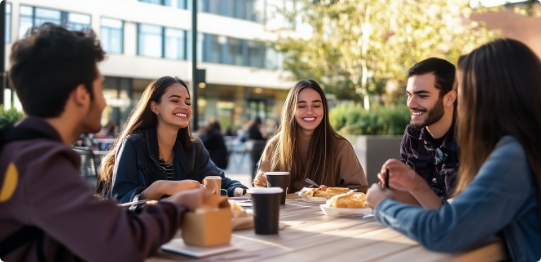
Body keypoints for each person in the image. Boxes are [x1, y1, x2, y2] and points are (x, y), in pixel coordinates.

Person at [0, 23, 221, 261]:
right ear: (82, 95)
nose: (105, 103)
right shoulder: (37, 162)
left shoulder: (20, 149)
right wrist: (181, 204)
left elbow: (91, 231)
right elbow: (118, 244)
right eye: (101, 89)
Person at [366, 38, 541, 262]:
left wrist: (383, 205)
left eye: (467, 91)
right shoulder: (524, 146)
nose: (462, 102)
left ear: (489, 95)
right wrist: (418, 186)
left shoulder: (513, 155)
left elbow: (445, 231)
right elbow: (464, 218)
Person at [98, 76, 248, 203]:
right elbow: (121, 201)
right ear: (155, 107)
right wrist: (161, 187)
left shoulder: (194, 147)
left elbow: (222, 182)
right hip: (147, 232)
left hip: (188, 229)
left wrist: (242, 192)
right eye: (175, 100)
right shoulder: (133, 145)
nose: (184, 106)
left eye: (188, 103)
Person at [253, 80, 368, 193]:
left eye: (316, 105)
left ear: (324, 108)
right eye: (302, 106)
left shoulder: (340, 146)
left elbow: (359, 190)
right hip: (284, 212)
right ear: (290, 110)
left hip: (325, 212)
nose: (310, 111)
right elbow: (260, 187)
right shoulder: (274, 146)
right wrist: (262, 183)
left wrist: (330, 194)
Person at [379, 58, 458, 209]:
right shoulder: (413, 136)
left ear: (449, 98)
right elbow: (406, 195)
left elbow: (466, 211)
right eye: (409, 95)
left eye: (422, 96)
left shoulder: (474, 140)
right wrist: (390, 186)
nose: (410, 104)